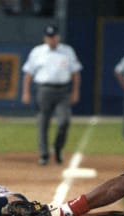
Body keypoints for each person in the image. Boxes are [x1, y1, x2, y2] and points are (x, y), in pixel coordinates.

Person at [21, 24, 82, 166]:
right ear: (45, 38)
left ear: (58, 37)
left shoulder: (67, 51)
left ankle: (58, 148)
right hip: (44, 90)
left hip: (63, 91)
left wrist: (75, 91)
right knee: (43, 123)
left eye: (53, 37)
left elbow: (75, 73)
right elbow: (28, 73)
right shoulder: (37, 52)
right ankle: (44, 155)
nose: (51, 39)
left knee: (64, 122)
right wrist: (26, 92)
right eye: (49, 37)